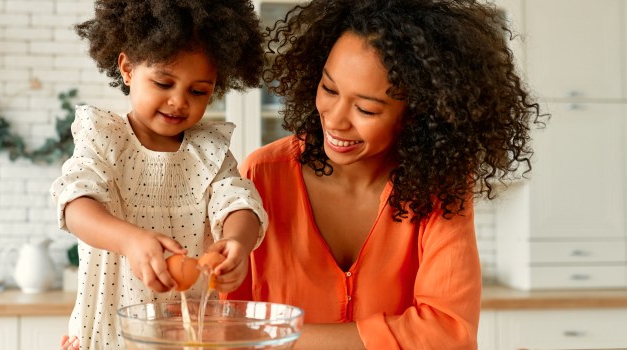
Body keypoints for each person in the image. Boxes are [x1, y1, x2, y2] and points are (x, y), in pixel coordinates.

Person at [221, 0, 545, 349]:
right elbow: (228, 324)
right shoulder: (264, 173)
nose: (335, 119)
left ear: (418, 113)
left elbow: (450, 333)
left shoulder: (440, 186)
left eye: (366, 109)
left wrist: (281, 338)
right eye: (329, 89)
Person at [50, 0, 268, 348]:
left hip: (189, 334)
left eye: (198, 91)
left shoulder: (209, 151)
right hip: (110, 332)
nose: (179, 101)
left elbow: (238, 202)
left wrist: (236, 243)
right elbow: (76, 205)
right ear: (127, 68)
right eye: (164, 83)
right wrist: (130, 240)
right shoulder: (104, 138)